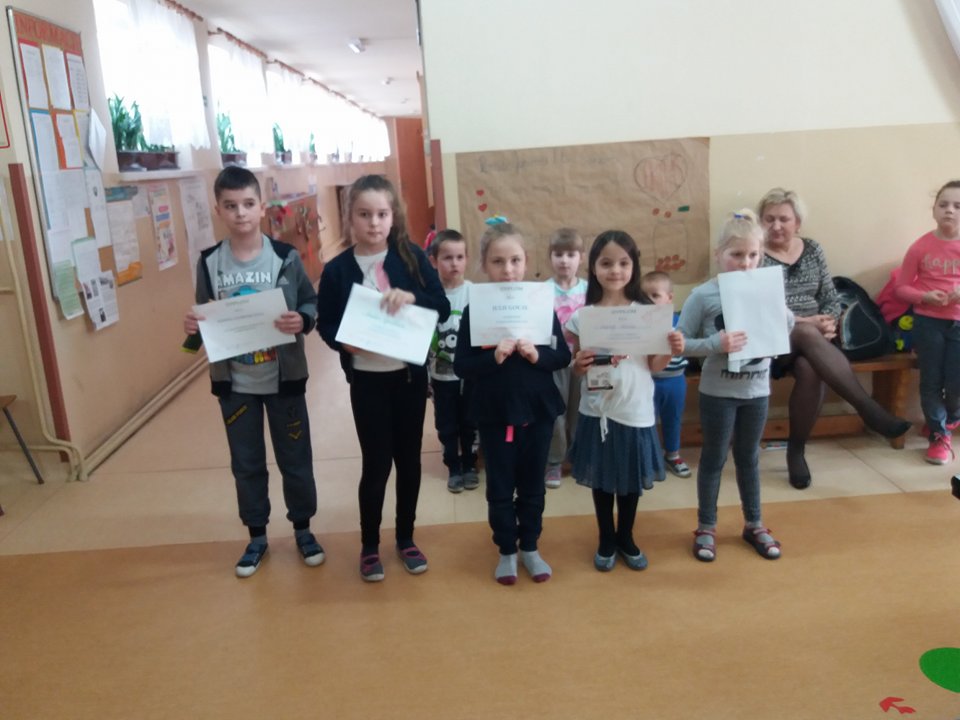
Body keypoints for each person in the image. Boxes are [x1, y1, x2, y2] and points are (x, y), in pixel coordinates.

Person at [183, 166, 323, 578]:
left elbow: (310, 302)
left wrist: (303, 319)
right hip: (235, 384)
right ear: (218, 210)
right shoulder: (210, 263)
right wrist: (193, 327)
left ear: (262, 207)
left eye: (248, 204)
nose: (240, 213)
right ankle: (257, 536)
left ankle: (303, 529)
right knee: (246, 462)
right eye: (230, 206)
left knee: (295, 458)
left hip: (284, 381)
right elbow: (203, 316)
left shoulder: (285, 257)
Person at [316, 175, 450, 582]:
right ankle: (370, 545)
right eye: (364, 214)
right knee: (376, 465)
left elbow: (440, 306)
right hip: (367, 382)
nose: (374, 223)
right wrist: (343, 343)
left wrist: (412, 297)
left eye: (381, 214)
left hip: (408, 379)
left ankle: (406, 538)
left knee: (409, 462)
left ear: (393, 217)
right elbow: (326, 323)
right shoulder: (338, 270)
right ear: (349, 218)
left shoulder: (411, 258)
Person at [759, 187, 911, 489]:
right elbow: (760, 309)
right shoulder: (755, 253)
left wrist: (828, 321)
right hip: (771, 341)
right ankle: (868, 409)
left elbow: (830, 296)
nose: (776, 225)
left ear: (797, 223)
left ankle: (796, 452)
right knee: (804, 332)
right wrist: (809, 323)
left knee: (810, 369)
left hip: (813, 342)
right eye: (769, 219)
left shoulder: (812, 249)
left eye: (784, 219)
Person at [454, 222, 571, 585]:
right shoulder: (475, 311)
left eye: (515, 260)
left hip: (537, 411)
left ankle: (530, 547)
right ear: (484, 266)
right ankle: (507, 549)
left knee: (533, 486)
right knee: (500, 487)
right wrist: (493, 358)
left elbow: (562, 356)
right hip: (494, 413)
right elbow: (461, 366)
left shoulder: (541, 306)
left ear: (526, 261)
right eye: (498, 261)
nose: (508, 269)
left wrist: (537, 355)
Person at [677, 210, 793, 563]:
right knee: (714, 457)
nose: (746, 263)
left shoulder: (766, 288)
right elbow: (680, 342)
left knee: (749, 457)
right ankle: (706, 526)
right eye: (737, 255)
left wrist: (784, 317)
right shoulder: (703, 295)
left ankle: (754, 523)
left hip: (756, 391)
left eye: (754, 255)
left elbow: (784, 326)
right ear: (718, 254)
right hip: (718, 393)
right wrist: (716, 344)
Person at [567, 232, 683, 571]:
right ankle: (606, 537)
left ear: (633, 266)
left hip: (635, 408)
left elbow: (655, 366)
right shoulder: (584, 316)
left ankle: (626, 536)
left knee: (630, 480)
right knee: (602, 479)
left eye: (623, 263)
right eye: (606, 263)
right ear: (593, 268)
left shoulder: (647, 313)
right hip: (597, 410)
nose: (615, 270)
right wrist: (578, 365)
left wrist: (671, 350)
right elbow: (578, 368)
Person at [895, 180, 960, 464]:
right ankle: (938, 434)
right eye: (943, 204)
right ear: (934, 210)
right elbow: (901, 288)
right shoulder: (920, 247)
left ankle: (949, 418)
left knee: (956, 383)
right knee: (931, 381)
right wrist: (924, 296)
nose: (950, 211)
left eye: (957, 206)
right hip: (928, 323)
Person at [427, 229, 478, 492]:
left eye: (460, 257)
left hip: (469, 376)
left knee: (470, 421)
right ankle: (453, 466)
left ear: (467, 259)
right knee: (446, 424)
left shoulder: (474, 293)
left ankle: (470, 463)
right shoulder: (429, 295)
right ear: (434, 261)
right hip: (441, 375)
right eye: (447, 258)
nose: (454, 263)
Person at [544, 228, 588, 488]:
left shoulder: (590, 290)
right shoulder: (542, 291)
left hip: (583, 361)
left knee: (580, 411)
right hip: (553, 362)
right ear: (550, 257)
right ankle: (554, 462)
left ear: (581, 257)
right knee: (556, 414)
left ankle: (580, 456)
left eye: (571, 254)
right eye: (558, 254)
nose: (564, 260)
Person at [641, 270, 691, 478]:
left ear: (669, 298)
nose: (649, 301)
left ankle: (673, 454)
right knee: (648, 421)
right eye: (644, 297)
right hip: (650, 381)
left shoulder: (680, 322)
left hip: (675, 380)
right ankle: (651, 458)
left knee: (673, 418)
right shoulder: (640, 323)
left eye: (655, 295)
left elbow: (689, 345)